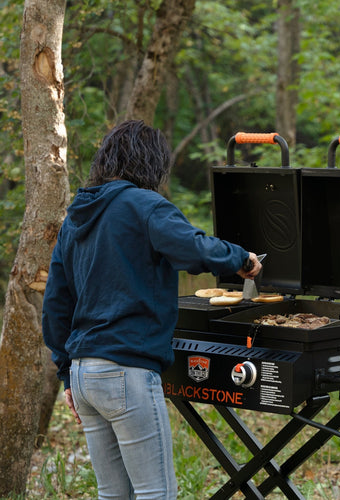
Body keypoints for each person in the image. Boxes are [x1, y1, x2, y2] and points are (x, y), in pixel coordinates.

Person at [42, 120, 262, 500]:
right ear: (150, 163)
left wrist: (66, 374)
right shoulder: (143, 205)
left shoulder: (76, 216)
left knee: (113, 495)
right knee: (155, 493)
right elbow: (191, 246)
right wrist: (240, 259)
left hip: (83, 375)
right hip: (126, 372)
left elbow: (55, 305)